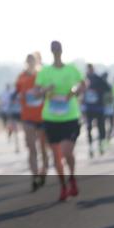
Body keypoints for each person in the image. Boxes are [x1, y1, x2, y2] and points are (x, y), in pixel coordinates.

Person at [34, 41, 85, 202]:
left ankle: (72, 178)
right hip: (51, 118)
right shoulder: (45, 71)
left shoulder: (71, 69)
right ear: (51, 51)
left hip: (70, 117)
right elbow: (36, 93)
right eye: (54, 49)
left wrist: (74, 90)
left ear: (62, 50)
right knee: (57, 157)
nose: (56, 51)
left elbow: (82, 85)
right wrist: (45, 90)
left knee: (67, 152)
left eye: (58, 49)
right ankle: (63, 186)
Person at [16, 53, 48, 191]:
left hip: (42, 117)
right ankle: (35, 176)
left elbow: (48, 92)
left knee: (43, 148)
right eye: (28, 61)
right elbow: (17, 93)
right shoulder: (21, 77)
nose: (30, 63)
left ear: (37, 62)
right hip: (27, 117)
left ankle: (44, 171)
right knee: (31, 148)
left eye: (32, 60)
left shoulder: (42, 76)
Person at [83, 63, 111, 157]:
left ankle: (101, 145)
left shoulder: (98, 79)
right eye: (88, 69)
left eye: (90, 69)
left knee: (101, 127)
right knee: (89, 128)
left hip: (99, 108)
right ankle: (91, 146)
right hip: (89, 108)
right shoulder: (84, 80)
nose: (89, 71)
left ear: (93, 69)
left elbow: (108, 89)